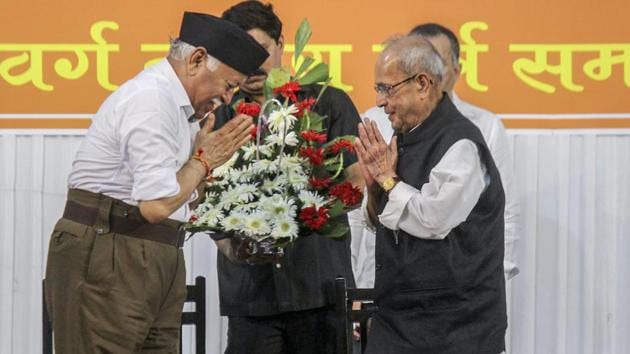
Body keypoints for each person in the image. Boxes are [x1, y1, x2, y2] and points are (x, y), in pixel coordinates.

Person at [44, 12, 269, 353]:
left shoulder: (185, 113)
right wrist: (203, 161)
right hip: (111, 252)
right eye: (228, 85)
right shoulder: (150, 100)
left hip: (155, 254)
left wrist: (204, 169)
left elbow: (181, 199)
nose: (227, 98)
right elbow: (156, 205)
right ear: (196, 60)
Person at [211, 1, 362, 353]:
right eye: (239, 52)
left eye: (260, 50)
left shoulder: (327, 103)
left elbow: (355, 182)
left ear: (281, 45)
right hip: (251, 295)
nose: (251, 62)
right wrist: (233, 247)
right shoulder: (217, 117)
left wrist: (310, 215)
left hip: (319, 287)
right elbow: (205, 199)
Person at [355, 35, 506, 353]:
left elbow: (433, 220)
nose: (381, 101)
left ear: (422, 83)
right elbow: (382, 222)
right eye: (377, 90)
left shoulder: (462, 143)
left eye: (387, 88)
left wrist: (386, 178)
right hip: (397, 323)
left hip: (455, 329)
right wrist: (374, 186)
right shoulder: (403, 137)